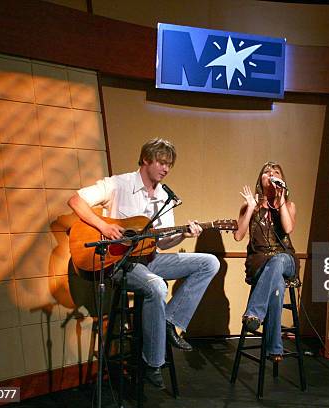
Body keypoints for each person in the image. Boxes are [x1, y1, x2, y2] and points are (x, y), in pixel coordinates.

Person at [67, 138, 220, 387]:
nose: (166, 169)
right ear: (146, 159)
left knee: (209, 262)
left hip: (150, 259)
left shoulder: (165, 197)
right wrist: (104, 226)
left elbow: (161, 243)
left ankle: (170, 322)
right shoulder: (119, 184)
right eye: (161, 162)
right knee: (157, 286)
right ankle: (153, 363)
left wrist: (182, 234)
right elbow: (75, 201)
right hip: (120, 263)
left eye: (169, 164)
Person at [234, 161, 299, 362]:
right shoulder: (249, 206)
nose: (271, 175)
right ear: (260, 180)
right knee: (276, 283)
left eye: (276, 172)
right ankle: (274, 347)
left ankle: (254, 313)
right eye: (266, 172)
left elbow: (287, 229)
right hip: (260, 262)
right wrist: (251, 207)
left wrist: (279, 202)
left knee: (278, 261)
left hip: (285, 259)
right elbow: (238, 236)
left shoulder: (288, 205)